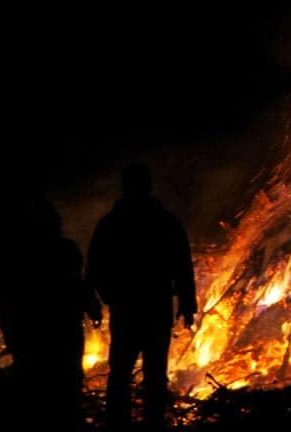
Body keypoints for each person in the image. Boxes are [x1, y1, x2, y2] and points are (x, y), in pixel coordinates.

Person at [87, 162, 196, 430]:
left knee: (125, 373)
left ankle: (122, 423)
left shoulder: (112, 224)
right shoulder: (163, 222)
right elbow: (182, 265)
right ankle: (150, 423)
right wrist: (186, 303)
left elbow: (94, 268)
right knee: (149, 373)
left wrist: (99, 300)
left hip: (131, 309)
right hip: (151, 307)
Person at [0, 197, 102, 431]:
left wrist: (92, 305)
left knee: (55, 383)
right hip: (50, 331)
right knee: (57, 384)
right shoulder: (29, 254)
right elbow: (7, 297)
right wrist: (91, 306)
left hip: (47, 332)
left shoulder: (27, 253)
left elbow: (77, 283)